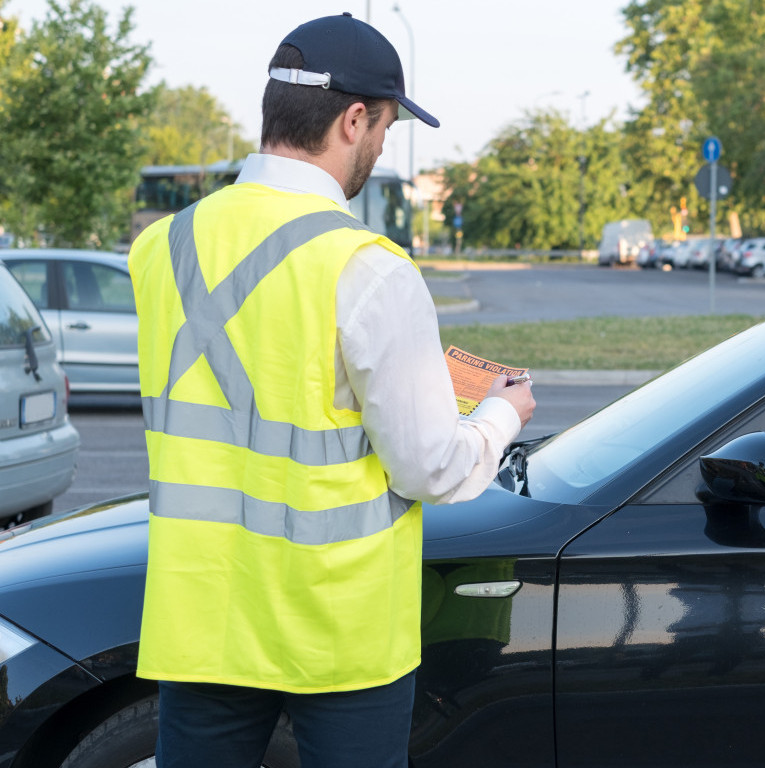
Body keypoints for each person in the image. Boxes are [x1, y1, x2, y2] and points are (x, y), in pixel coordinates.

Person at [127, 13, 535, 768]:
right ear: (353, 120)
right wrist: (500, 415)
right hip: (339, 632)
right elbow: (431, 469)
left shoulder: (161, 247)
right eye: (384, 129)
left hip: (202, 618)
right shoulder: (370, 268)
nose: (379, 149)